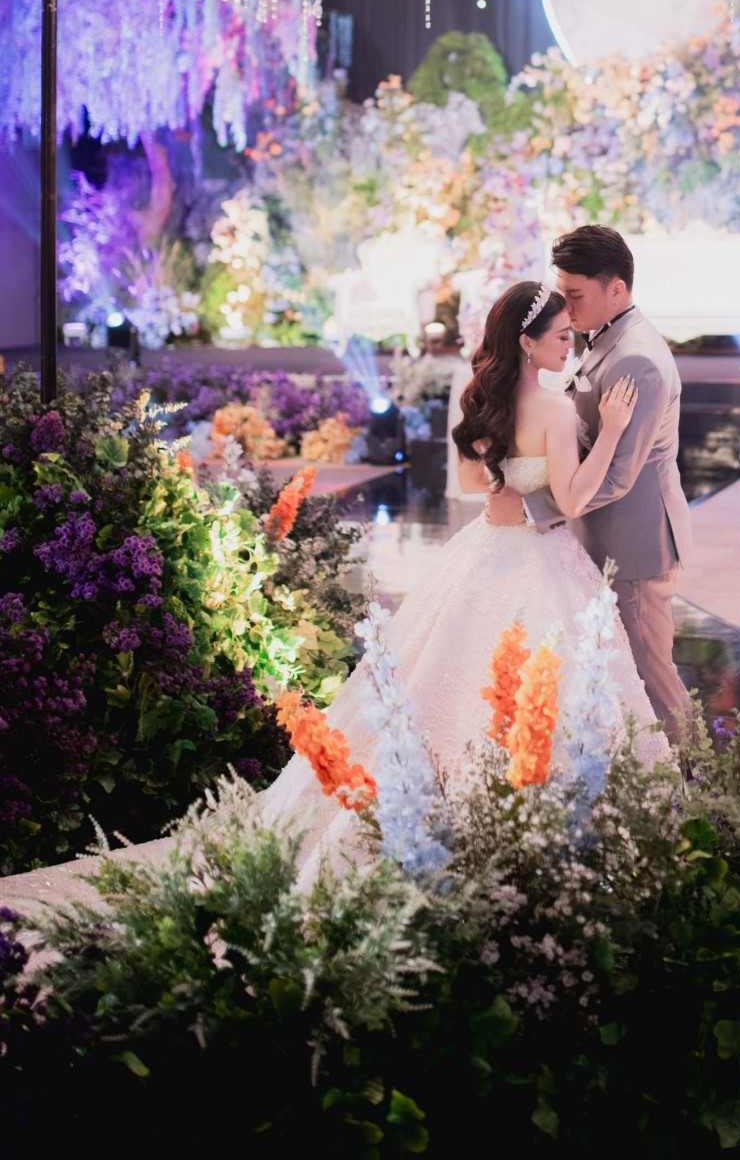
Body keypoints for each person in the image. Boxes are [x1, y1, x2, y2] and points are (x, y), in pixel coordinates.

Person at [258, 277, 670, 881]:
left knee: (439, 664)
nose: (570, 345)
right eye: (561, 337)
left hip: (484, 547)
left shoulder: (481, 400)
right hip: (541, 556)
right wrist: (610, 432)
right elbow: (575, 499)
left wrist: (512, 484)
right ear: (527, 342)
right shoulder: (556, 409)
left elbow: (476, 483)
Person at [484, 225, 696, 746]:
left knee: (649, 675)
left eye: (575, 295)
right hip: (602, 538)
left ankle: (695, 777)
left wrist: (530, 507)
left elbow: (620, 474)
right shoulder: (608, 339)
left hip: (634, 542)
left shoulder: (636, 359)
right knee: (621, 676)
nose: (566, 307)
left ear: (616, 290)